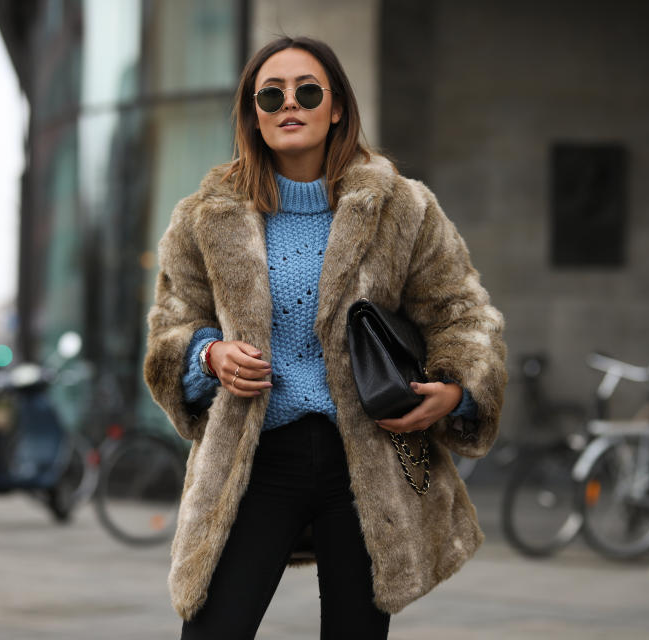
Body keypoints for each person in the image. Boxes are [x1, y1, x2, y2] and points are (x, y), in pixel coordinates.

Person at [143, 36, 507, 639]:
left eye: (307, 91)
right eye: (271, 93)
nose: (290, 104)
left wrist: (454, 389)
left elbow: (463, 313)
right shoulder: (204, 217)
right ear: (253, 112)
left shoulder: (401, 208)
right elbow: (169, 329)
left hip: (365, 461)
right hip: (252, 459)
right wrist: (210, 354)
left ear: (336, 106)